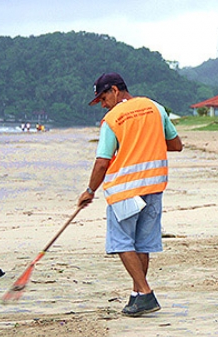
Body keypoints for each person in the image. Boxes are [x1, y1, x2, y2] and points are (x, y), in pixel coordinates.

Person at [78, 72, 183, 317]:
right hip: (154, 187)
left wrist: (90, 190)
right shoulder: (155, 108)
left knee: (122, 242)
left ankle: (145, 292)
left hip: (125, 189)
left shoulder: (112, 119)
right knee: (142, 244)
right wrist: (147, 141)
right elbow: (176, 144)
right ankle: (137, 296)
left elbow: (102, 162)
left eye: (103, 98)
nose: (103, 105)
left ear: (115, 90)